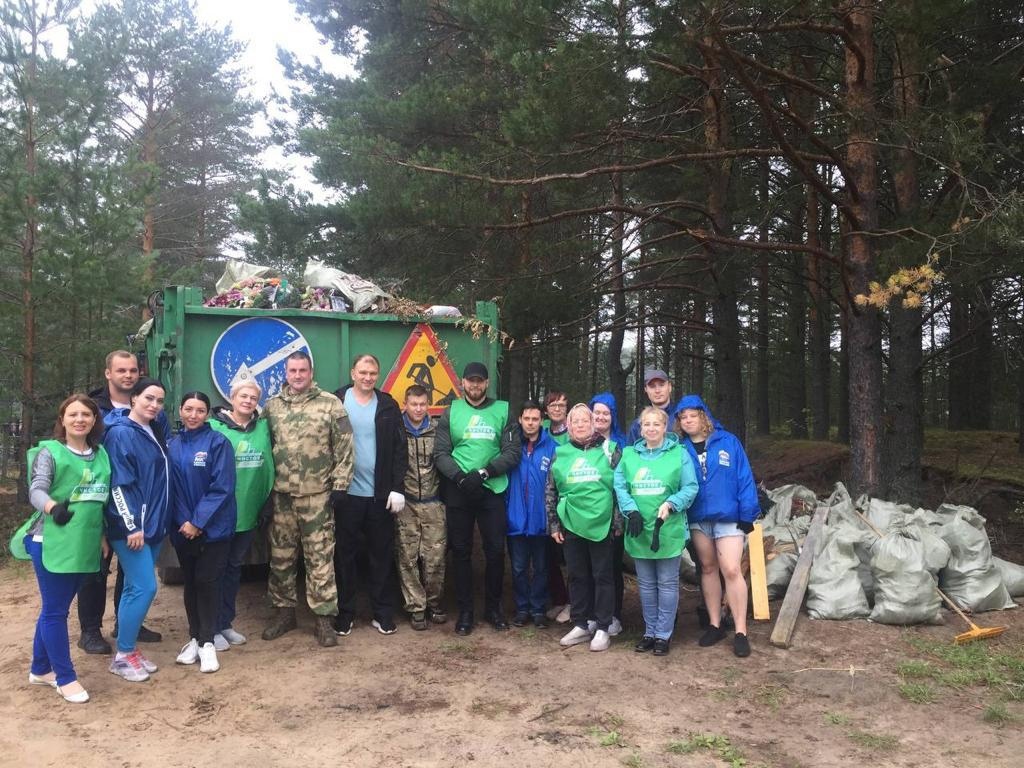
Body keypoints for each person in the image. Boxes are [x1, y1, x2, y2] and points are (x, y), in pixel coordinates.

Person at [15, 395, 110, 703]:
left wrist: (102, 536)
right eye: (73, 414)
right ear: (63, 419)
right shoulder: (50, 452)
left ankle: (40, 668)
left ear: (94, 421)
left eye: (86, 414)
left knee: (55, 609)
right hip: (50, 542)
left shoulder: (101, 455)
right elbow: (36, 489)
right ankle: (65, 678)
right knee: (56, 612)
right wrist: (53, 507)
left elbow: (100, 500)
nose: (80, 419)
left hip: (84, 544)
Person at [77, 350, 166, 654]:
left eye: (132, 371)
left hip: (141, 518)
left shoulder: (154, 421)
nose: (127, 375)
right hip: (108, 513)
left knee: (132, 582)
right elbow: (114, 479)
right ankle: (91, 631)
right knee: (97, 573)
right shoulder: (96, 410)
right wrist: (125, 523)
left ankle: (126, 626)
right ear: (108, 373)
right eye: (121, 370)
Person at [261, 351, 353, 647]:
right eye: (292, 371)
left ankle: (324, 619)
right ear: (286, 373)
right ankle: (284, 613)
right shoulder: (272, 407)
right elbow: (263, 448)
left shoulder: (331, 404)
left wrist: (340, 486)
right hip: (282, 496)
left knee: (320, 559)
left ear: (311, 372)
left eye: (302, 370)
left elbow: (345, 446)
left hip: (318, 496)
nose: (298, 375)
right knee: (281, 558)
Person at [433, 362, 520, 635]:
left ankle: (493, 609)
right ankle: (466, 612)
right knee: (460, 552)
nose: (475, 385)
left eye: (479, 381)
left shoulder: (503, 410)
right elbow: (440, 453)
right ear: (462, 382)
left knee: (495, 551)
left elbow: (512, 451)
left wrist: (484, 473)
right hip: (459, 490)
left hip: (491, 489)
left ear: (486, 383)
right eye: (470, 381)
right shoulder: (452, 411)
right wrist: (460, 478)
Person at [675, 394, 760, 658]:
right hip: (698, 517)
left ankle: (740, 630)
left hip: (729, 516)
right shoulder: (679, 448)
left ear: (704, 416)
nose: (689, 420)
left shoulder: (728, 442)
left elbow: (744, 477)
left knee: (732, 569)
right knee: (709, 568)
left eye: (693, 415)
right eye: (683, 417)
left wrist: (748, 513)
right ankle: (714, 624)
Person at [332, 354, 408, 636]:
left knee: (381, 556)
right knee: (345, 556)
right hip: (347, 495)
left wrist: (397, 487)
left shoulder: (387, 404)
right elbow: (331, 443)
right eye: (363, 372)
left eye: (372, 373)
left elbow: (400, 450)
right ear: (353, 372)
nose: (367, 377)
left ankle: (382, 613)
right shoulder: (337, 401)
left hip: (379, 496)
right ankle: (346, 613)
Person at [614, 406, 698, 656]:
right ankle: (649, 631)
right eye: (646, 424)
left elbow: (690, 487)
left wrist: (672, 503)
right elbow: (619, 485)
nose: (650, 428)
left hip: (667, 528)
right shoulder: (629, 454)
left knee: (667, 583)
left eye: (656, 424)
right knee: (647, 584)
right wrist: (631, 510)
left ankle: (663, 634)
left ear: (665, 427)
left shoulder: (679, 453)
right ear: (641, 428)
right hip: (639, 529)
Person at [103, 378, 171, 682]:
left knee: (134, 588)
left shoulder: (151, 429)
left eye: (159, 401)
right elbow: (119, 484)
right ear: (133, 399)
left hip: (153, 524)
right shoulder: (120, 434)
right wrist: (131, 525)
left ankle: (128, 651)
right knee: (146, 587)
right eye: (148, 398)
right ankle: (122, 654)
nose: (154, 405)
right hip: (132, 528)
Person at [169, 392, 236, 673]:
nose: (193, 415)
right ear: (181, 411)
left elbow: (222, 487)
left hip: (214, 528)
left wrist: (198, 521)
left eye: (199, 410)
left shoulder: (219, 442)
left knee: (208, 582)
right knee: (192, 583)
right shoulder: (172, 444)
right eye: (188, 409)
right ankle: (195, 639)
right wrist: (185, 521)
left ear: (208, 414)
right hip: (183, 529)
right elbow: (172, 487)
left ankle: (209, 644)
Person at [546, 404, 621, 652]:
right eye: (575, 421)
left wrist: (617, 521)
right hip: (571, 522)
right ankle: (581, 622)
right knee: (577, 574)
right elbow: (551, 490)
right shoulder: (560, 453)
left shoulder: (610, 450)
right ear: (568, 425)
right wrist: (554, 523)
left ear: (592, 423)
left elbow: (620, 488)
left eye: (584, 420)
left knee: (602, 575)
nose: (580, 424)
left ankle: (602, 626)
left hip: (602, 522)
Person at [209, 381, 275, 648]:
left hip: (247, 515)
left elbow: (269, 465)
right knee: (213, 572)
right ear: (232, 398)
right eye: (243, 396)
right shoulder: (215, 427)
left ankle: (225, 623)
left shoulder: (262, 427)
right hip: (218, 515)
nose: (248, 400)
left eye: (253, 397)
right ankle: (209, 628)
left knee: (233, 570)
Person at [395, 384, 447, 630]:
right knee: (407, 558)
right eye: (413, 404)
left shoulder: (438, 431)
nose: (418, 409)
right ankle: (416, 607)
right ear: (405, 404)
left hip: (433, 502)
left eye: (422, 404)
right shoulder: (397, 429)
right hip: (405, 504)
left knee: (435, 558)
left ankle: (434, 603)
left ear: (429, 405)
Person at [505, 400, 557, 628]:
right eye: (526, 418)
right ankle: (522, 608)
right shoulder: (510, 445)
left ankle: (538, 609)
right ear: (520, 419)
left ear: (542, 421)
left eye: (535, 419)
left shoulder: (551, 446)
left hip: (541, 519)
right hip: (515, 517)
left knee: (541, 567)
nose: (530, 423)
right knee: (518, 567)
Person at [588, 392, 626, 637]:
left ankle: (614, 616)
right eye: (597, 412)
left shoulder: (621, 445)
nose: (601, 417)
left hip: (614, 517)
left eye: (606, 413)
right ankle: (592, 614)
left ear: (612, 417)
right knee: (591, 567)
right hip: (589, 515)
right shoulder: (582, 442)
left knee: (612, 566)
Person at [541, 391, 571, 624]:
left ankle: (573, 602)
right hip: (543, 501)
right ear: (546, 409)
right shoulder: (540, 431)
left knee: (570, 556)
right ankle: (559, 599)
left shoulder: (573, 432)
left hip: (568, 502)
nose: (558, 409)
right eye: (553, 405)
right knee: (549, 555)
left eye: (562, 405)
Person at [626, 369, 675, 444]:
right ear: (646, 389)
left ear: (669, 387)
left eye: (661, 385)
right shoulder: (638, 424)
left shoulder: (682, 417)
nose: (657, 391)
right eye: (652, 386)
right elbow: (630, 453)